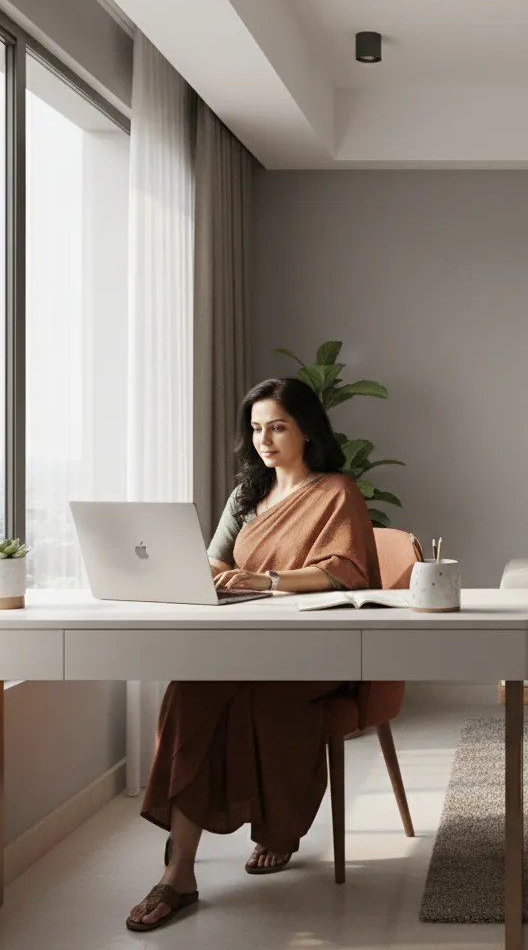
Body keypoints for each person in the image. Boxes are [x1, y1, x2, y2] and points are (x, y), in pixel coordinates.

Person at [127, 377, 381, 932]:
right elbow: (212, 563)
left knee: (263, 700)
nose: (264, 438)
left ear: (307, 430)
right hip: (244, 642)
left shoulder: (337, 491)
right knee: (189, 693)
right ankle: (180, 874)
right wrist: (219, 578)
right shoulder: (247, 496)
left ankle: (275, 829)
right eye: (256, 427)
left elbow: (347, 572)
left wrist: (266, 583)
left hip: (315, 651)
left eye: (278, 426)